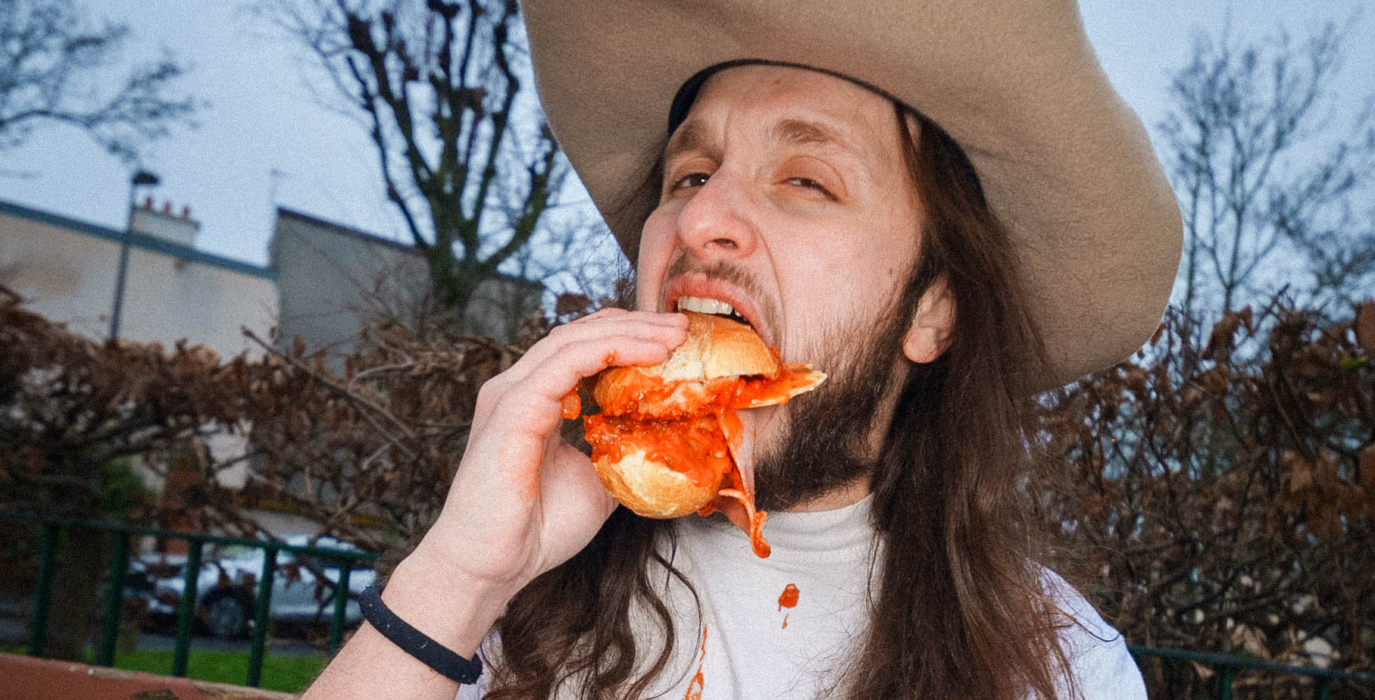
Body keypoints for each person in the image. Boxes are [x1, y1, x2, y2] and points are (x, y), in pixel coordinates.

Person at [303, 1, 1181, 698]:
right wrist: (458, 577)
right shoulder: (517, 594)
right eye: (689, 175)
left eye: (806, 181)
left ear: (934, 310)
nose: (699, 219)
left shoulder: (1063, 669)